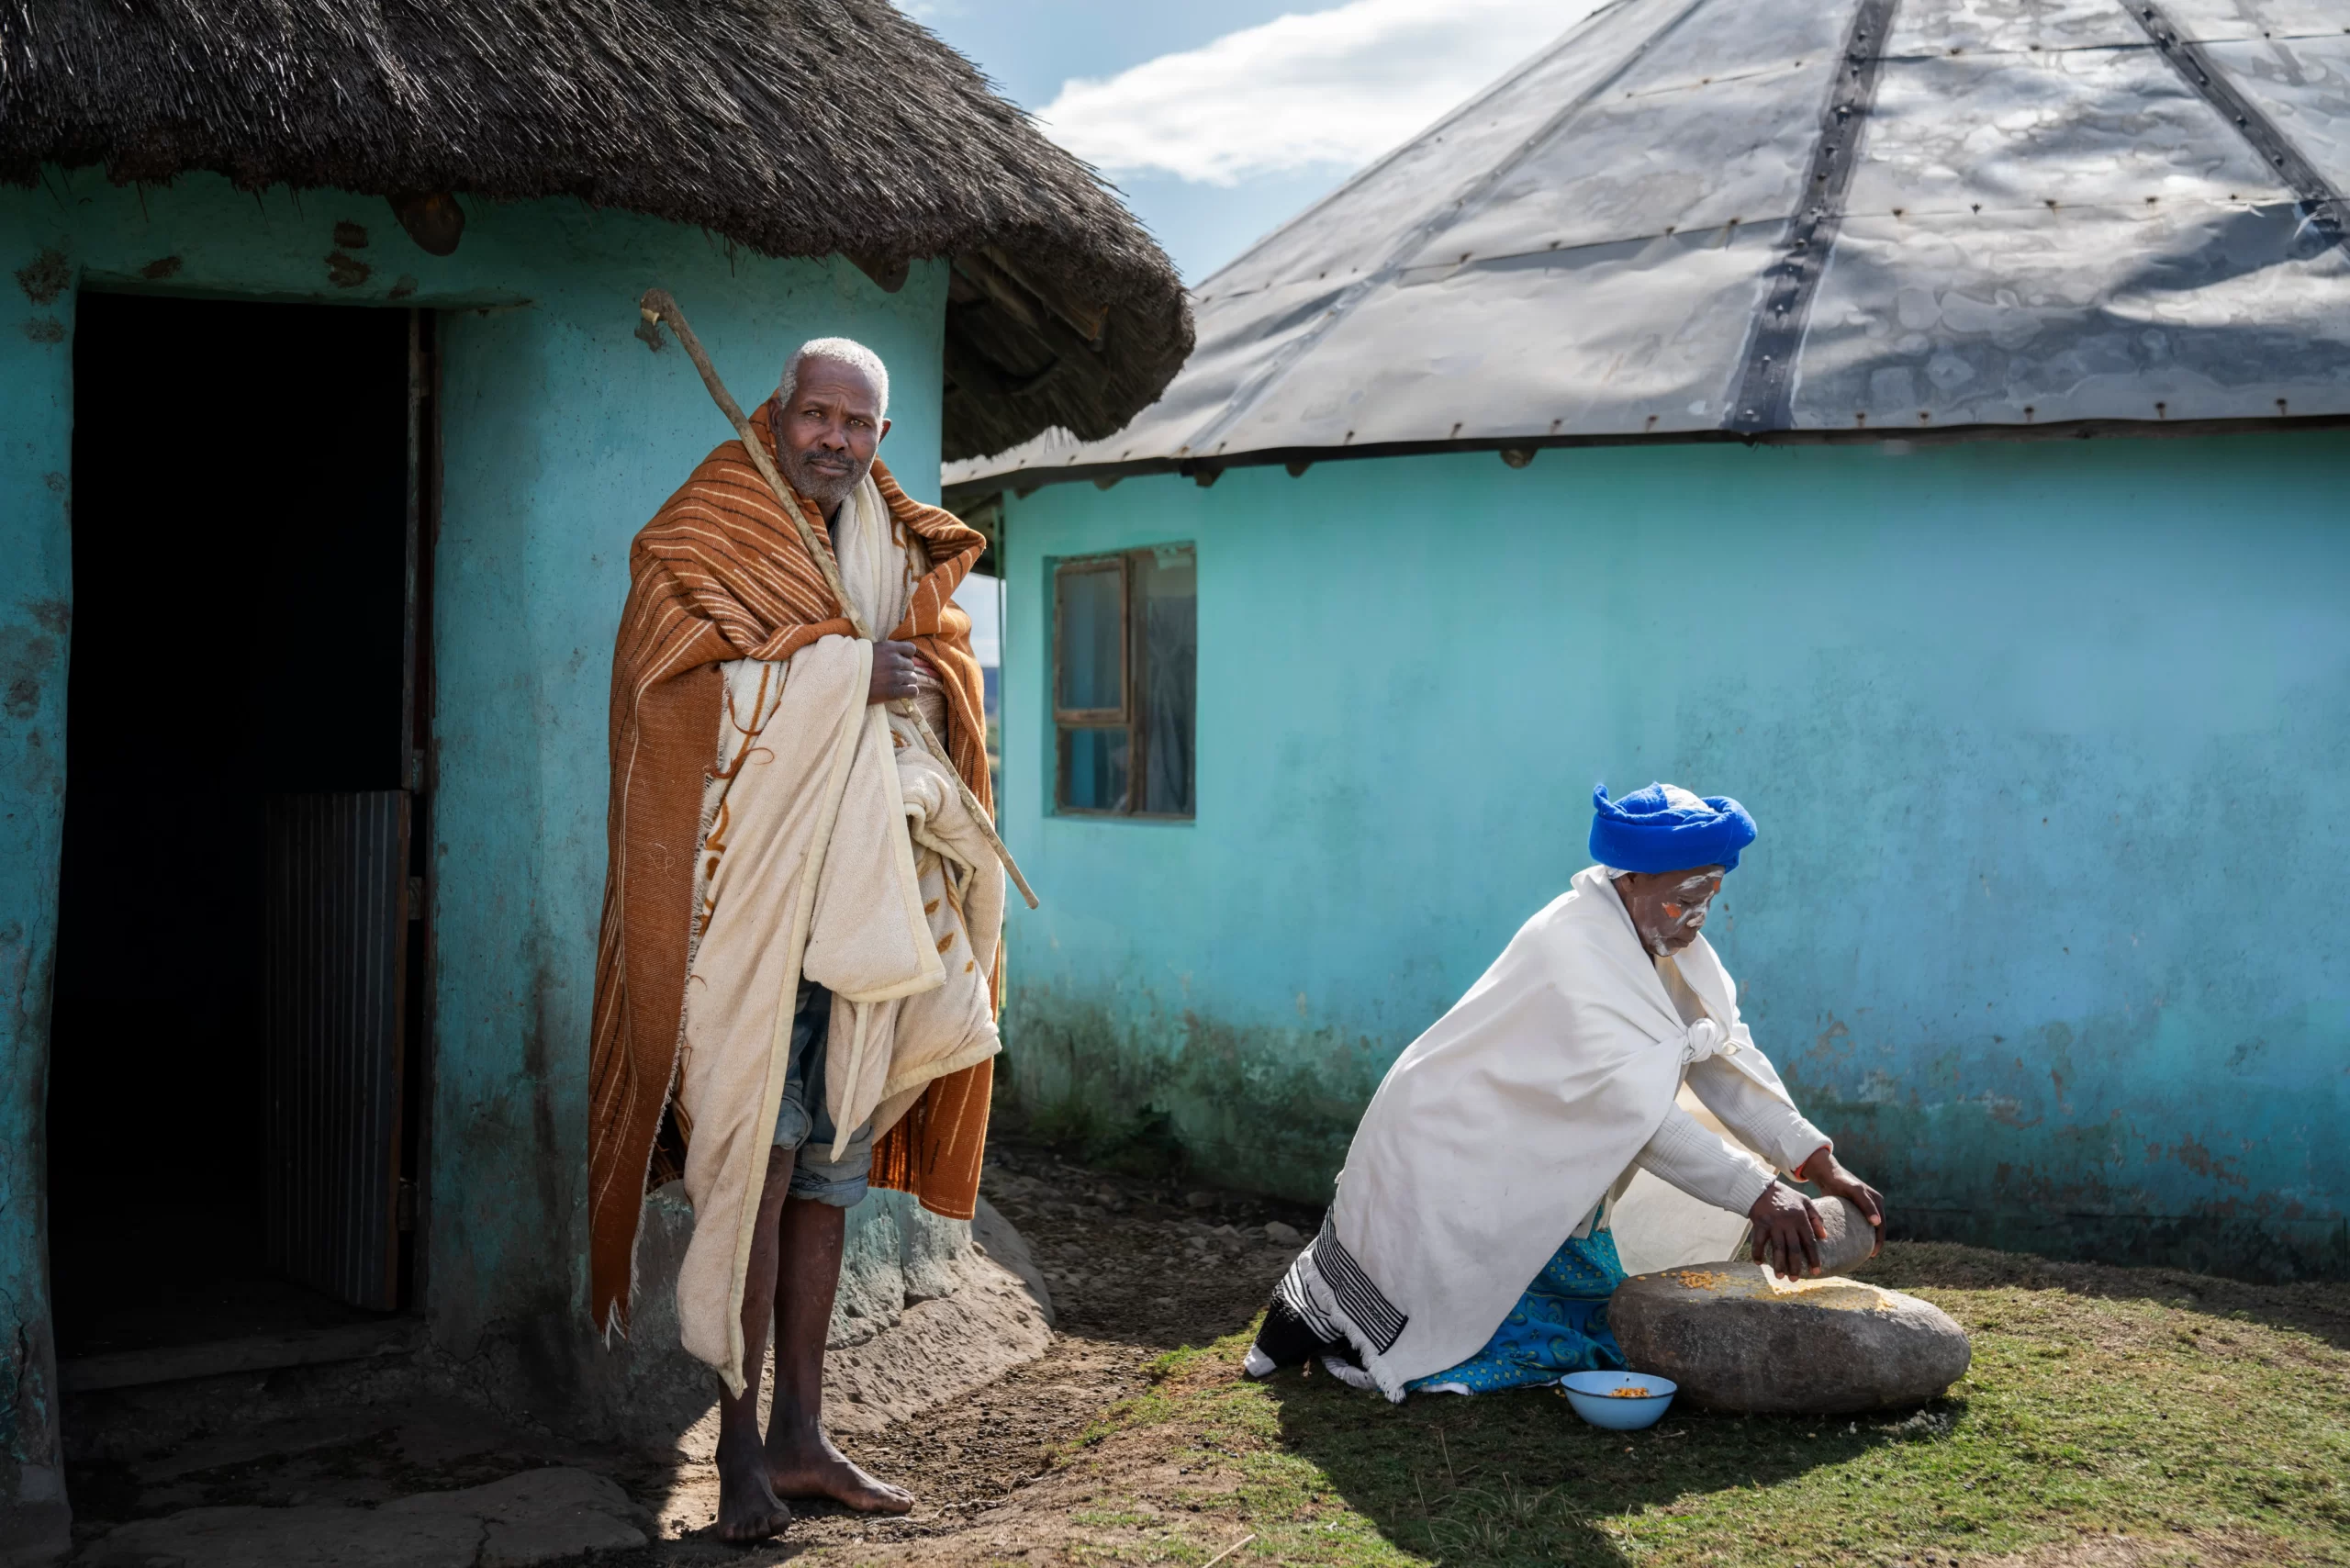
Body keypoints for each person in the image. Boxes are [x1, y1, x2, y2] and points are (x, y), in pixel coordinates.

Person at [586, 339, 1005, 1540]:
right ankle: (737, 1463)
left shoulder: (889, 539)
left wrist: (909, 680)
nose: (834, 438)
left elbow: (937, 669)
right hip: (750, 920)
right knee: (754, 1188)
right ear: (776, 415)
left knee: (828, 1182)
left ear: (879, 437)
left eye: (856, 423)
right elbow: (668, 697)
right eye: (815, 415)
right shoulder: (706, 530)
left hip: (864, 918)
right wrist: (835, 676)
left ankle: (805, 1439)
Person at [1245, 783, 1886, 1399]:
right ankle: (1334, 1321)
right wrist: (1760, 1194)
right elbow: (1636, 1115)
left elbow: (1723, 1055)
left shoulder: (1676, 948)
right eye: (1683, 897)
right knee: (1463, 1333)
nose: (1696, 917)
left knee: (1598, 1325)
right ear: (1629, 879)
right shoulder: (1573, 947)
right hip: (1452, 1146)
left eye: (1711, 896)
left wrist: (1817, 1162)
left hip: (1531, 1162)